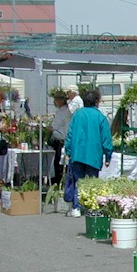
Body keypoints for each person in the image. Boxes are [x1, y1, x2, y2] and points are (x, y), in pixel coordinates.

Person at [64, 90, 112, 218]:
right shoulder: (101, 117)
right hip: (94, 155)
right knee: (92, 182)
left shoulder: (77, 115)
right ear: (96, 102)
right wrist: (108, 156)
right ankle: (91, 207)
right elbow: (106, 138)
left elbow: (70, 134)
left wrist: (68, 151)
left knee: (78, 181)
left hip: (77, 153)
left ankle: (76, 207)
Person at [50, 94, 72, 186]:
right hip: (61, 138)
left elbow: (55, 126)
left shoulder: (63, 112)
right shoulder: (63, 110)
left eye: (56, 100)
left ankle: (57, 182)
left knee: (57, 162)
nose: (54, 102)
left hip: (60, 139)